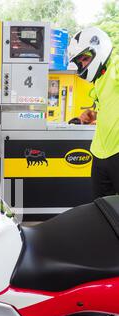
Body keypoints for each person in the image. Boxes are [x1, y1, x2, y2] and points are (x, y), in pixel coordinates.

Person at [68, 27, 119, 199]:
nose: (82, 65)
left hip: (117, 151)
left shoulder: (115, 67)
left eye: (85, 59)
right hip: (100, 154)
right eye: (79, 61)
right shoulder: (99, 81)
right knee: (103, 210)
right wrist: (93, 115)